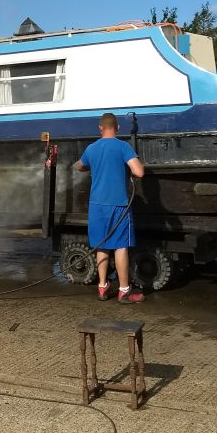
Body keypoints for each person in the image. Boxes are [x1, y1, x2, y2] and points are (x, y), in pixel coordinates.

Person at [74, 113, 146, 303]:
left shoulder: (91, 149)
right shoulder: (123, 146)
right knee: (120, 247)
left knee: (101, 245)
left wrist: (88, 166)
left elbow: (79, 166)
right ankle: (124, 291)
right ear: (118, 128)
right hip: (118, 205)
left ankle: (102, 287)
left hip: (97, 205)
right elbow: (139, 171)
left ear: (100, 128)